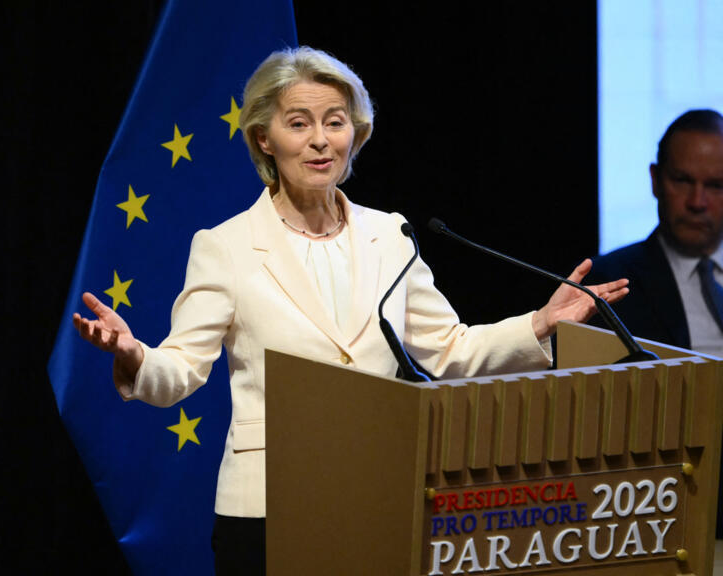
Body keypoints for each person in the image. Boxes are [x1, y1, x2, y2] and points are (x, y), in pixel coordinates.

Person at [73, 46, 628, 575]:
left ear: (354, 133)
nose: (320, 140)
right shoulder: (226, 246)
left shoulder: (391, 235)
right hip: (269, 504)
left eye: (335, 122)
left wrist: (540, 323)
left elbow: (450, 350)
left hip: (379, 496)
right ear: (264, 138)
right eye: (299, 123)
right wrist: (134, 354)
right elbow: (180, 370)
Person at [586, 108, 723, 538]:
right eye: (683, 181)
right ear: (655, 180)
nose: (698, 201)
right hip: (661, 498)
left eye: (716, 186)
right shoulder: (605, 282)